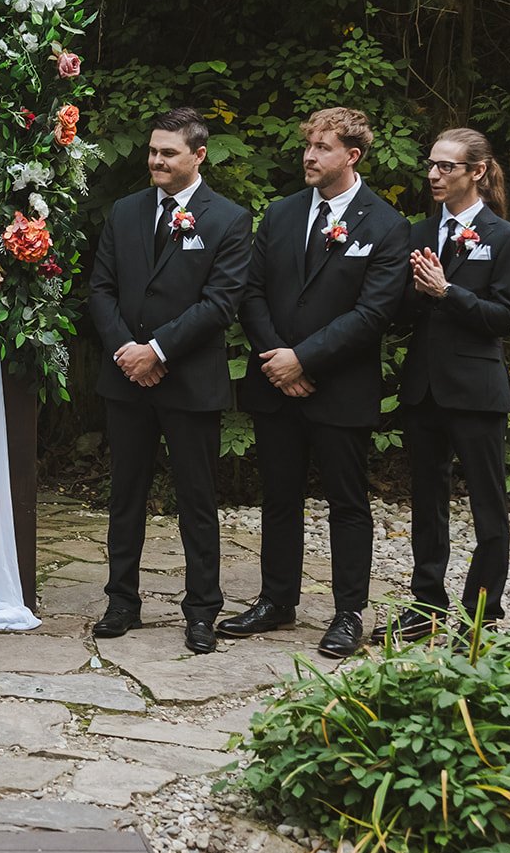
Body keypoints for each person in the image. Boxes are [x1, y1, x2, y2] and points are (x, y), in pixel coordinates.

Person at [220, 108, 410, 658]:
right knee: (279, 497)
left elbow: (373, 313)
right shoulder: (281, 214)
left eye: (323, 147)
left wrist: (303, 360)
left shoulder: (386, 224)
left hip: (340, 387)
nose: (309, 156)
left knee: (347, 503)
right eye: (308, 145)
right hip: (274, 381)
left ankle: (348, 612)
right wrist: (276, 360)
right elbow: (251, 292)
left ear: (352, 155)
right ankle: (277, 601)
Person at [89, 107, 252, 655]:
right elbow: (101, 289)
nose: (155, 161)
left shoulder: (228, 219)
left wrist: (156, 351)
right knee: (125, 495)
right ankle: (121, 600)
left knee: (197, 500)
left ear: (198, 155)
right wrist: (127, 352)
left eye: (168, 153)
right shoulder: (126, 210)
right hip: (125, 378)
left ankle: (202, 609)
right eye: (152, 150)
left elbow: (221, 303)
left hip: (189, 382)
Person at [376, 128, 510, 640]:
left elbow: (503, 316)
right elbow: (399, 312)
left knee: (488, 505)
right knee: (426, 501)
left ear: (476, 172)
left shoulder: (506, 238)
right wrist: (418, 294)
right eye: (431, 165)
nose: (433, 175)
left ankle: (481, 613)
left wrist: (447, 291)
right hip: (423, 387)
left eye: (446, 167)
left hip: (477, 389)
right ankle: (427, 605)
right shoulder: (418, 231)